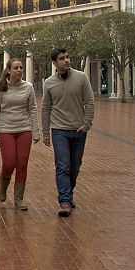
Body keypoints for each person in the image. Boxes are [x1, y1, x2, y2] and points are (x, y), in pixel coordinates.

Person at [41, 48, 94, 217]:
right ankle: (64, 201)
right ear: (55, 63)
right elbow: (46, 108)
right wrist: (45, 132)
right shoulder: (49, 83)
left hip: (79, 130)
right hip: (59, 130)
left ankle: (68, 194)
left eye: (68, 57)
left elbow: (90, 102)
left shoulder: (81, 78)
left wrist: (86, 124)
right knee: (62, 166)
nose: (67, 60)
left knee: (75, 166)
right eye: (62, 58)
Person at [0, 58, 41, 209]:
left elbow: (32, 109)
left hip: (24, 129)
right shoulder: (0, 88)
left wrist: (35, 131)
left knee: (22, 164)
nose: (19, 70)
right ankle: (3, 186)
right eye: (16, 68)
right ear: (8, 70)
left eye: (21, 68)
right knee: (9, 162)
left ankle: (19, 198)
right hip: (6, 129)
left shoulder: (28, 87)